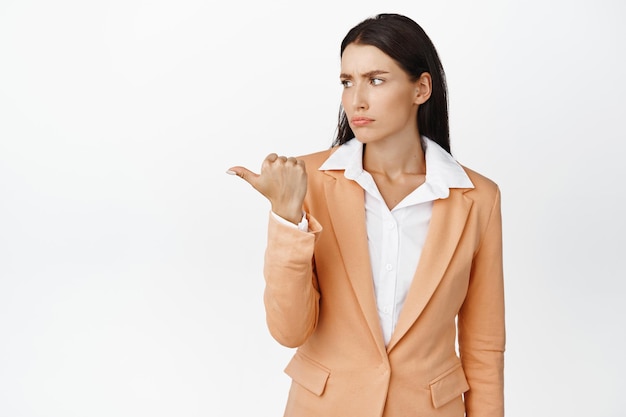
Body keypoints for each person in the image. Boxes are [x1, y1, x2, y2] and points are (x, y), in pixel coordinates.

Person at [227, 13, 504, 417]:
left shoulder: (478, 199)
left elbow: (483, 347)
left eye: (376, 80)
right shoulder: (308, 183)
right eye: (346, 81)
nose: (356, 99)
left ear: (421, 89)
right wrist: (288, 218)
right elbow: (289, 331)